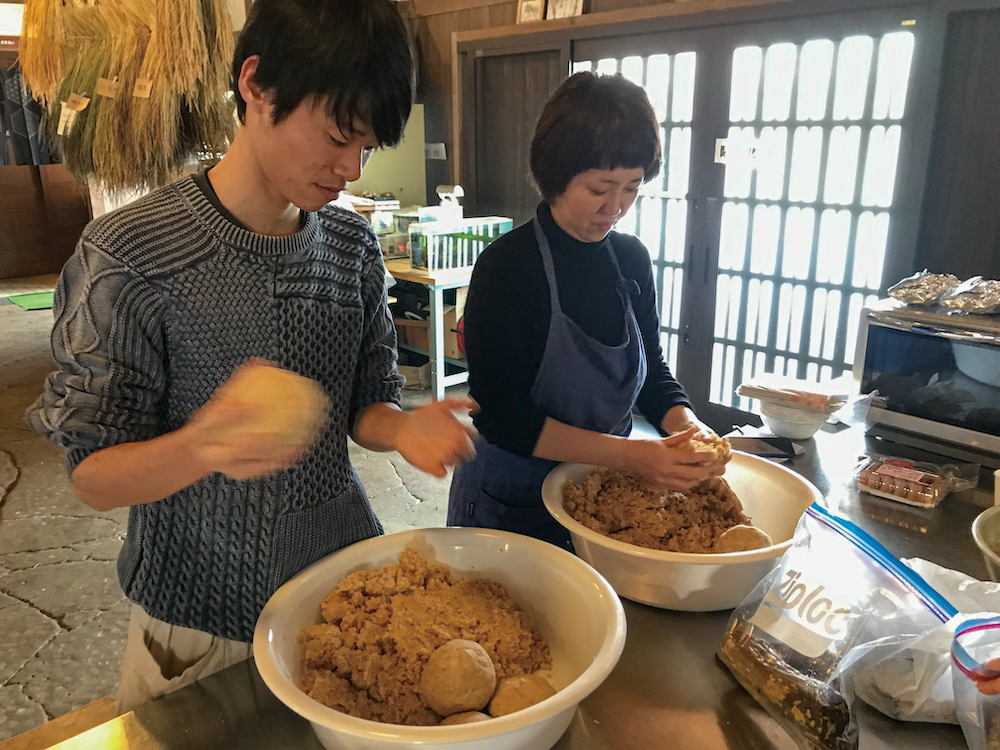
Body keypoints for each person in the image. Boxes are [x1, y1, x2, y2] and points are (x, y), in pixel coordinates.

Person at [27, 0, 473, 711]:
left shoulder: (350, 247)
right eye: (336, 137)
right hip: (197, 626)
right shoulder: (129, 256)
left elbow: (367, 398)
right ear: (257, 85)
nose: (350, 170)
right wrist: (204, 445)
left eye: (368, 148)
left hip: (337, 600)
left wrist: (402, 427)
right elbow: (93, 478)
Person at [447, 72, 722, 549]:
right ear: (556, 175)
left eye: (632, 188)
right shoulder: (508, 267)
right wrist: (634, 456)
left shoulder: (631, 258)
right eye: (600, 188)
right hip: (510, 497)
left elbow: (653, 373)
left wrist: (688, 428)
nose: (615, 207)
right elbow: (503, 418)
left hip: (599, 493)